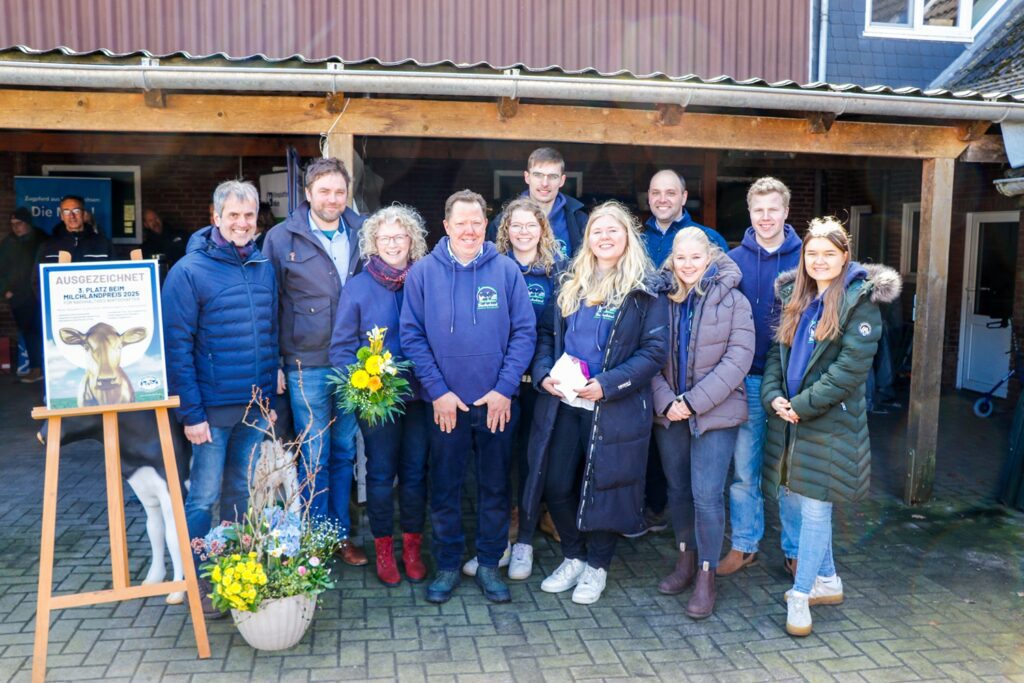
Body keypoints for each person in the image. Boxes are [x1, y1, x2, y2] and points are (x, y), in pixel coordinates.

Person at [523, 201, 669, 605]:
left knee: (607, 486)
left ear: (628, 237)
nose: (605, 238)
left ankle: (597, 566)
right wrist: (543, 374)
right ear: (587, 239)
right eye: (597, 232)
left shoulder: (645, 289)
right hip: (566, 400)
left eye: (613, 231)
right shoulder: (572, 279)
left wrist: (607, 384)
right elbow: (547, 335)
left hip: (614, 405)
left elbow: (655, 351)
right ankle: (572, 554)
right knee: (555, 481)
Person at [761, 218, 900, 636]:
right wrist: (773, 397)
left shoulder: (861, 305)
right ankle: (829, 580)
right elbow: (775, 357)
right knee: (792, 500)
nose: (819, 261)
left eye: (828, 253)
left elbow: (848, 371)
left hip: (829, 422)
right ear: (803, 258)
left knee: (817, 507)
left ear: (844, 257)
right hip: (790, 420)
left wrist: (800, 406)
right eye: (811, 253)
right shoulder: (795, 297)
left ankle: (802, 596)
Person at [400, 189, 536, 604]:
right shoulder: (423, 273)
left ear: (486, 225)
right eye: (461, 223)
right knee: (445, 488)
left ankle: (490, 564)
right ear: (446, 226)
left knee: (495, 488)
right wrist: (438, 392)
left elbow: (524, 333)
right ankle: (446, 565)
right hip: (445, 407)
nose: (470, 230)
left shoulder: (507, 271)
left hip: (495, 405)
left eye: (477, 222)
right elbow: (411, 335)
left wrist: (504, 390)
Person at [162, 180, 279, 617]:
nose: (242, 223)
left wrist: (270, 394)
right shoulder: (189, 272)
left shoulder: (264, 265)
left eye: (248, 216)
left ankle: (234, 576)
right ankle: (198, 580)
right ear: (216, 217)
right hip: (209, 412)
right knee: (204, 497)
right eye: (233, 215)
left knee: (240, 495)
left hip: (253, 408)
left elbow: (271, 331)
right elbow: (177, 347)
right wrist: (191, 413)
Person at [262, 157, 369, 568]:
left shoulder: (363, 232)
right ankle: (313, 539)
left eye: (340, 191)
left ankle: (338, 536)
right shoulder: (280, 238)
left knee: (344, 451)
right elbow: (268, 304)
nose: (333, 199)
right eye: (324, 191)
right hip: (306, 363)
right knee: (314, 453)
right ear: (307, 194)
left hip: (356, 365)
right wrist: (274, 362)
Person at [651, 228, 754, 619]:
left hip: (716, 413)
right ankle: (685, 560)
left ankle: (707, 576)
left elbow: (738, 360)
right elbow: (648, 354)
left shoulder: (734, 301)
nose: (688, 264)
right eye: (681, 258)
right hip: (669, 412)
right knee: (677, 490)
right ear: (672, 260)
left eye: (696, 257)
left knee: (706, 494)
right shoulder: (660, 299)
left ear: (710, 258)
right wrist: (666, 402)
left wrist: (692, 403)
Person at [329, 204, 431, 587]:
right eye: (384, 237)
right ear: (372, 242)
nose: (392, 243)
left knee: (416, 473)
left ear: (412, 241)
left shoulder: (425, 279)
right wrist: (362, 386)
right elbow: (341, 349)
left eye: (400, 236)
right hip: (377, 401)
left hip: (422, 395)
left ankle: (412, 549)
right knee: (380, 473)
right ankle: (384, 550)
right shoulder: (357, 286)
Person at [463, 196, 564, 581]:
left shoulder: (558, 272)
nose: (523, 232)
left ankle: (524, 544)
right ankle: (499, 541)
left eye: (531, 225)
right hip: (499, 388)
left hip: (540, 387)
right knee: (496, 467)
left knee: (532, 464)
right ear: (505, 230)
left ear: (543, 230)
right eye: (515, 225)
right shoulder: (492, 269)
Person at [630, 170, 730, 539]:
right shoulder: (636, 240)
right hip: (650, 360)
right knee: (654, 443)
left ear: (683, 196)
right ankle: (655, 509)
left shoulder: (709, 239)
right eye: (656, 193)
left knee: (699, 461)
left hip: (698, 366)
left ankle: (693, 530)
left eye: (670, 193)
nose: (662, 199)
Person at [719, 177, 803, 577]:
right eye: (759, 210)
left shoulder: (808, 259)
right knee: (744, 471)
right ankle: (745, 544)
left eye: (773, 209)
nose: (766, 217)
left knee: (789, 472)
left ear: (786, 212)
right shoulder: (731, 260)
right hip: (745, 380)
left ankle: (795, 549)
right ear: (749, 213)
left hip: (792, 386)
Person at [487, 147, 588, 260]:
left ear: (562, 180)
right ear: (527, 177)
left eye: (552, 176)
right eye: (538, 175)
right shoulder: (502, 221)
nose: (545, 183)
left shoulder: (579, 221)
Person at [0, 208, 44, 382]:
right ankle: (35, 368)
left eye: (19, 224)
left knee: (44, 332)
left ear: (28, 223)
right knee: (29, 332)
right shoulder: (8, 243)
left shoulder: (42, 239)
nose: (16, 228)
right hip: (19, 297)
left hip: (39, 295)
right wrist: (5, 291)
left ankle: (45, 369)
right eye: (12, 225)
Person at [38, 195, 113, 264]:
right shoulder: (47, 246)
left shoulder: (104, 244)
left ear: (84, 214)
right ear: (62, 216)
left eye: (76, 211)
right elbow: (37, 277)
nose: (72, 216)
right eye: (66, 212)